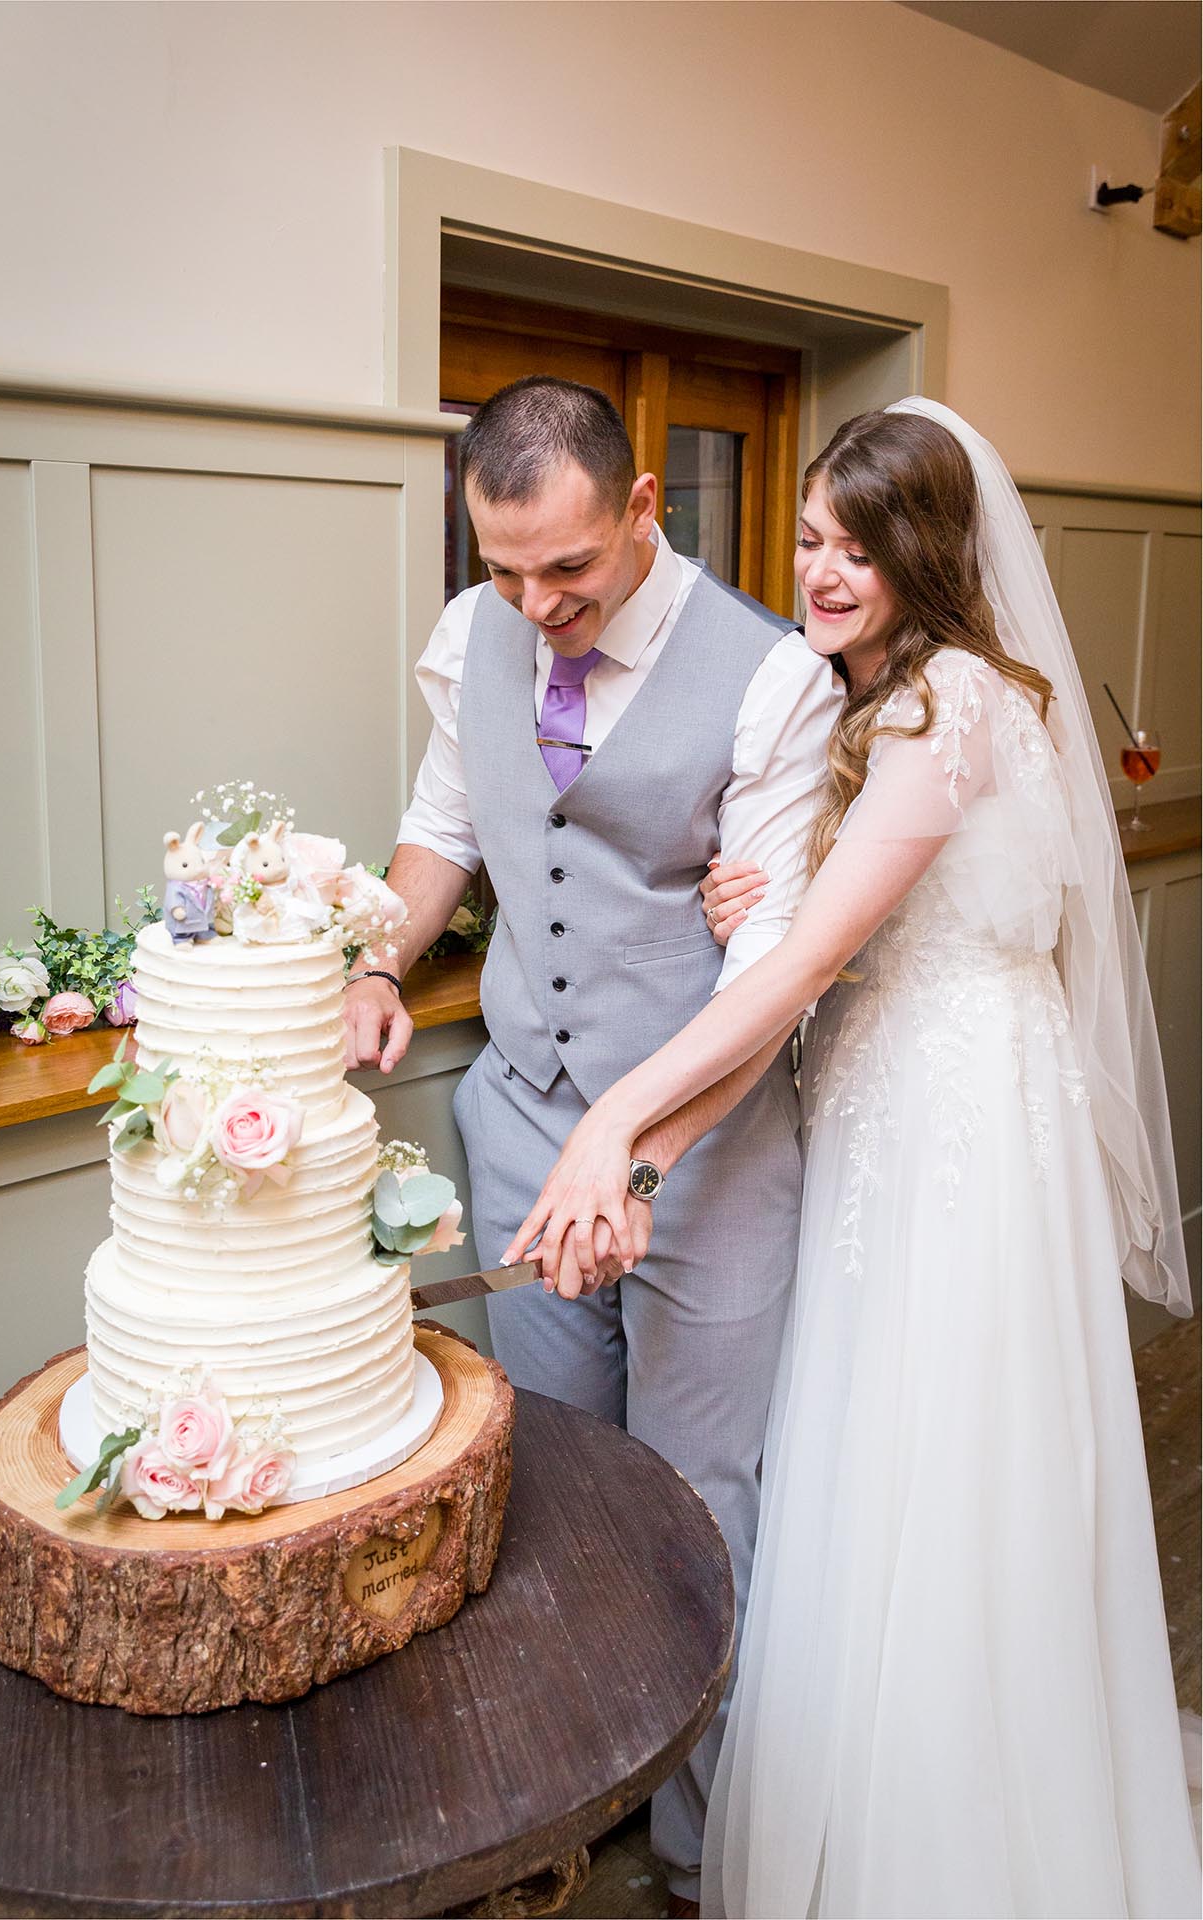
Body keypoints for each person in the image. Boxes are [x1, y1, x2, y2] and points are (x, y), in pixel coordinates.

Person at [504, 400, 1199, 1918]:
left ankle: (945, 1826)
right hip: (882, 1096)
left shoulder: (954, 705)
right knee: (856, 1455)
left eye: (857, 549)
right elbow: (838, 921)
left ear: (926, 555)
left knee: (944, 1462)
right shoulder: (880, 700)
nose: (821, 572)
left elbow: (809, 967)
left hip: (957, 1122)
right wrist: (653, 1148)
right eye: (811, 539)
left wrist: (620, 1121)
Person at [341, 375, 841, 1910]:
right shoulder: (475, 629)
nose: (536, 602)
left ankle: (698, 1850)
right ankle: (568, 1808)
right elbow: (450, 824)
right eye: (504, 570)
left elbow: (772, 975)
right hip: (517, 1120)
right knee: (552, 1479)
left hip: (710, 1151)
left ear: (644, 509)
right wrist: (377, 961)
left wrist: (634, 1152)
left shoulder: (773, 680)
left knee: (698, 1498)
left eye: (568, 568)